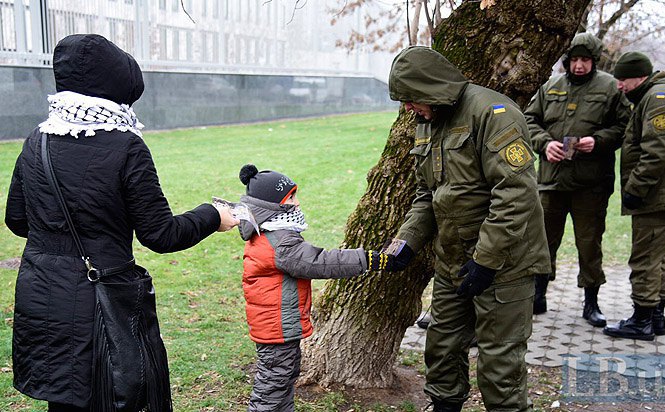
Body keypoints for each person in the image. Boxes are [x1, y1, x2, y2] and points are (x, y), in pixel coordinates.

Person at [4, 34, 238, 412]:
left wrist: (61, 239)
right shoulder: (126, 145)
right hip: (101, 300)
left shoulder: (38, 140)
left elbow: (17, 219)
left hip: (44, 296)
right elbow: (161, 234)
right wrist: (214, 215)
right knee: (112, 397)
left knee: (66, 400)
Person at [384, 46, 550, 411]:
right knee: (441, 347)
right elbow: (426, 193)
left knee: (499, 365)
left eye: (411, 99)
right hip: (453, 261)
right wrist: (407, 241)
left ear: (432, 87)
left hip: (506, 264)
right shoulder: (429, 121)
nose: (408, 109)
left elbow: (516, 194)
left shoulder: (494, 113)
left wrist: (486, 261)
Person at [236, 164, 391, 411]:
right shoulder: (281, 244)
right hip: (277, 331)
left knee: (282, 381)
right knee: (272, 389)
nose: (297, 203)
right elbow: (321, 262)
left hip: (277, 329)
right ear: (273, 206)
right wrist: (369, 259)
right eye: (291, 197)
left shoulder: (268, 234)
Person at [524, 33, 631, 323]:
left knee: (589, 242)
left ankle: (591, 303)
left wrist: (597, 141)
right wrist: (545, 143)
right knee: (543, 241)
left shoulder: (610, 87)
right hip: (551, 180)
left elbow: (624, 125)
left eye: (585, 60)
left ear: (594, 61)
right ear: (567, 61)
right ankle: (538, 294)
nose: (579, 65)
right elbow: (529, 120)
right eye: (574, 60)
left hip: (590, 184)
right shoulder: (551, 86)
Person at [603, 52, 665, 341]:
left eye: (623, 79)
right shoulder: (658, 93)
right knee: (657, 255)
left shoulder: (658, 98)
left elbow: (657, 151)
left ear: (639, 75)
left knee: (645, 258)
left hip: (656, 194)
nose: (619, 86)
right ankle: (656, 316)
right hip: (662, 192)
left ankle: (641, 321)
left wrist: (635, 189)